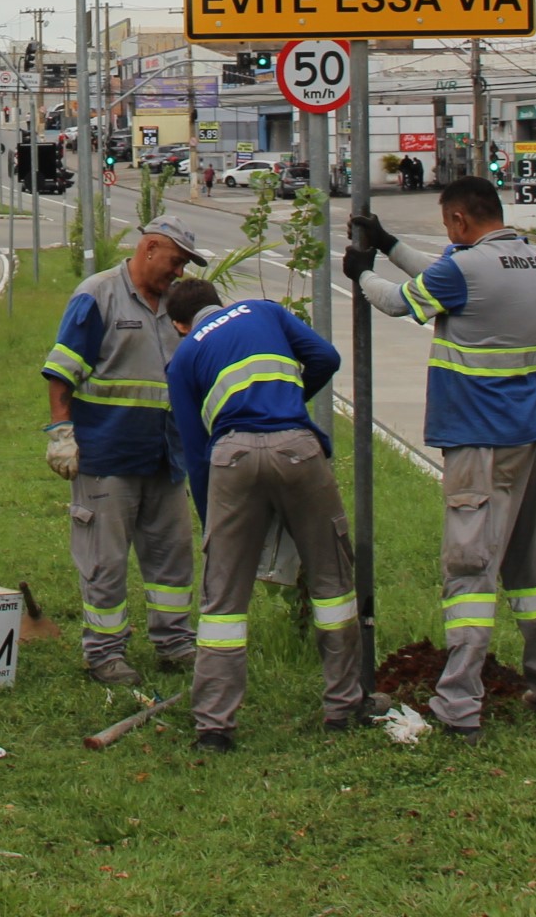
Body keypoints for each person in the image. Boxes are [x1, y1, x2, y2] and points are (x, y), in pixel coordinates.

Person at [345, 176, 536, 741]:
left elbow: (402, 301)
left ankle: (458, 706)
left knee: (471, 569)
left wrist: (361, 272)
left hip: (481, 440)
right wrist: (390, 242)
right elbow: (444, 273)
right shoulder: (530, 259)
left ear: (457, 221)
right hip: (534, 436)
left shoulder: (465, 270)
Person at [162, 278, 362, 751]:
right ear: (219, 303)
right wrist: (289, 397)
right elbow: (326, 359)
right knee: (332, 585)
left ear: (178, 324)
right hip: (298, 447)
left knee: (224, 603)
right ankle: (343, 708)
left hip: (230, 457)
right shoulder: (264, 311)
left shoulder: (185, 356)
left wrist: (214, 521)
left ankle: (214, 727)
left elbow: (195, 450)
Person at [41, 217, 203, 684]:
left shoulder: (177, 306)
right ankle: (104, 653)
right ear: (149, 248)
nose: (179, 272)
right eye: (176, 261)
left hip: (166, 457)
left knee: (172, 558)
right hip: (107, 457)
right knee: (104, 562)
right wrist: (61, 433)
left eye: (186, 265)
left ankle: (174, 643)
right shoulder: (99, 295)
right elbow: (62, 370)